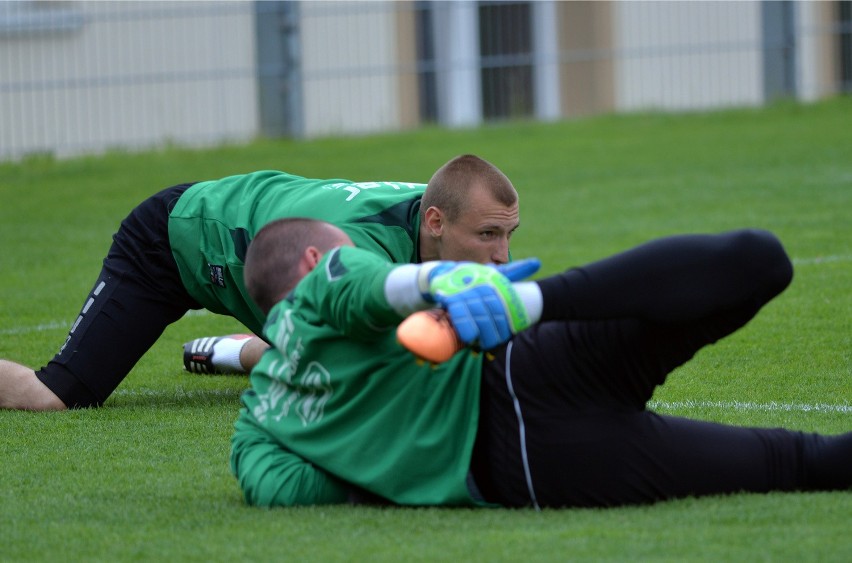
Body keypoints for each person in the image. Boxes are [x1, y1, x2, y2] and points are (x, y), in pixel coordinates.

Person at [230, 218, 851, 508]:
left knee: (803, 462)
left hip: (528, 472)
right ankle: (536, 300)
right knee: (758, 260)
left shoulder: (254, 426)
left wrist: (378, 457)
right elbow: (365, 284)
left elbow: (285, 491)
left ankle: (535, 303)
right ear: (312, 259)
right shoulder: (324, 282)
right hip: (528, 364)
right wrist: (438, 278)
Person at [0, 155, 520, 411]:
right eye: (488, 235)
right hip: (172, 238)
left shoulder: (438, 204)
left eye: (508, 234)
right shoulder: (357, 249)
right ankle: (246, 349)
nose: (502, 255)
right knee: (59, 396)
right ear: (434, 222)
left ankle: (229, 352)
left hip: (263, 249)